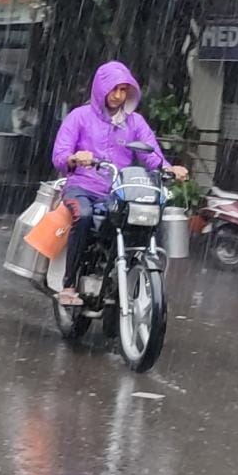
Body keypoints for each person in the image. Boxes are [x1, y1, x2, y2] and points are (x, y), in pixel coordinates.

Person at [51, 61, 189, 306]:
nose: (118, 95)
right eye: (113, 89)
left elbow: (151, 154)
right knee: (82, 217)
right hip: (81, 187)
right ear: (100, 89)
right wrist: (74, 158)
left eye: (123, 90)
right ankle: (69, 285)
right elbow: (60, 156)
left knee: (138, 226)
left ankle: (121, 274)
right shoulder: (79, 117)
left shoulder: (134, 122)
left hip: (118, 191)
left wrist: (168, 168)